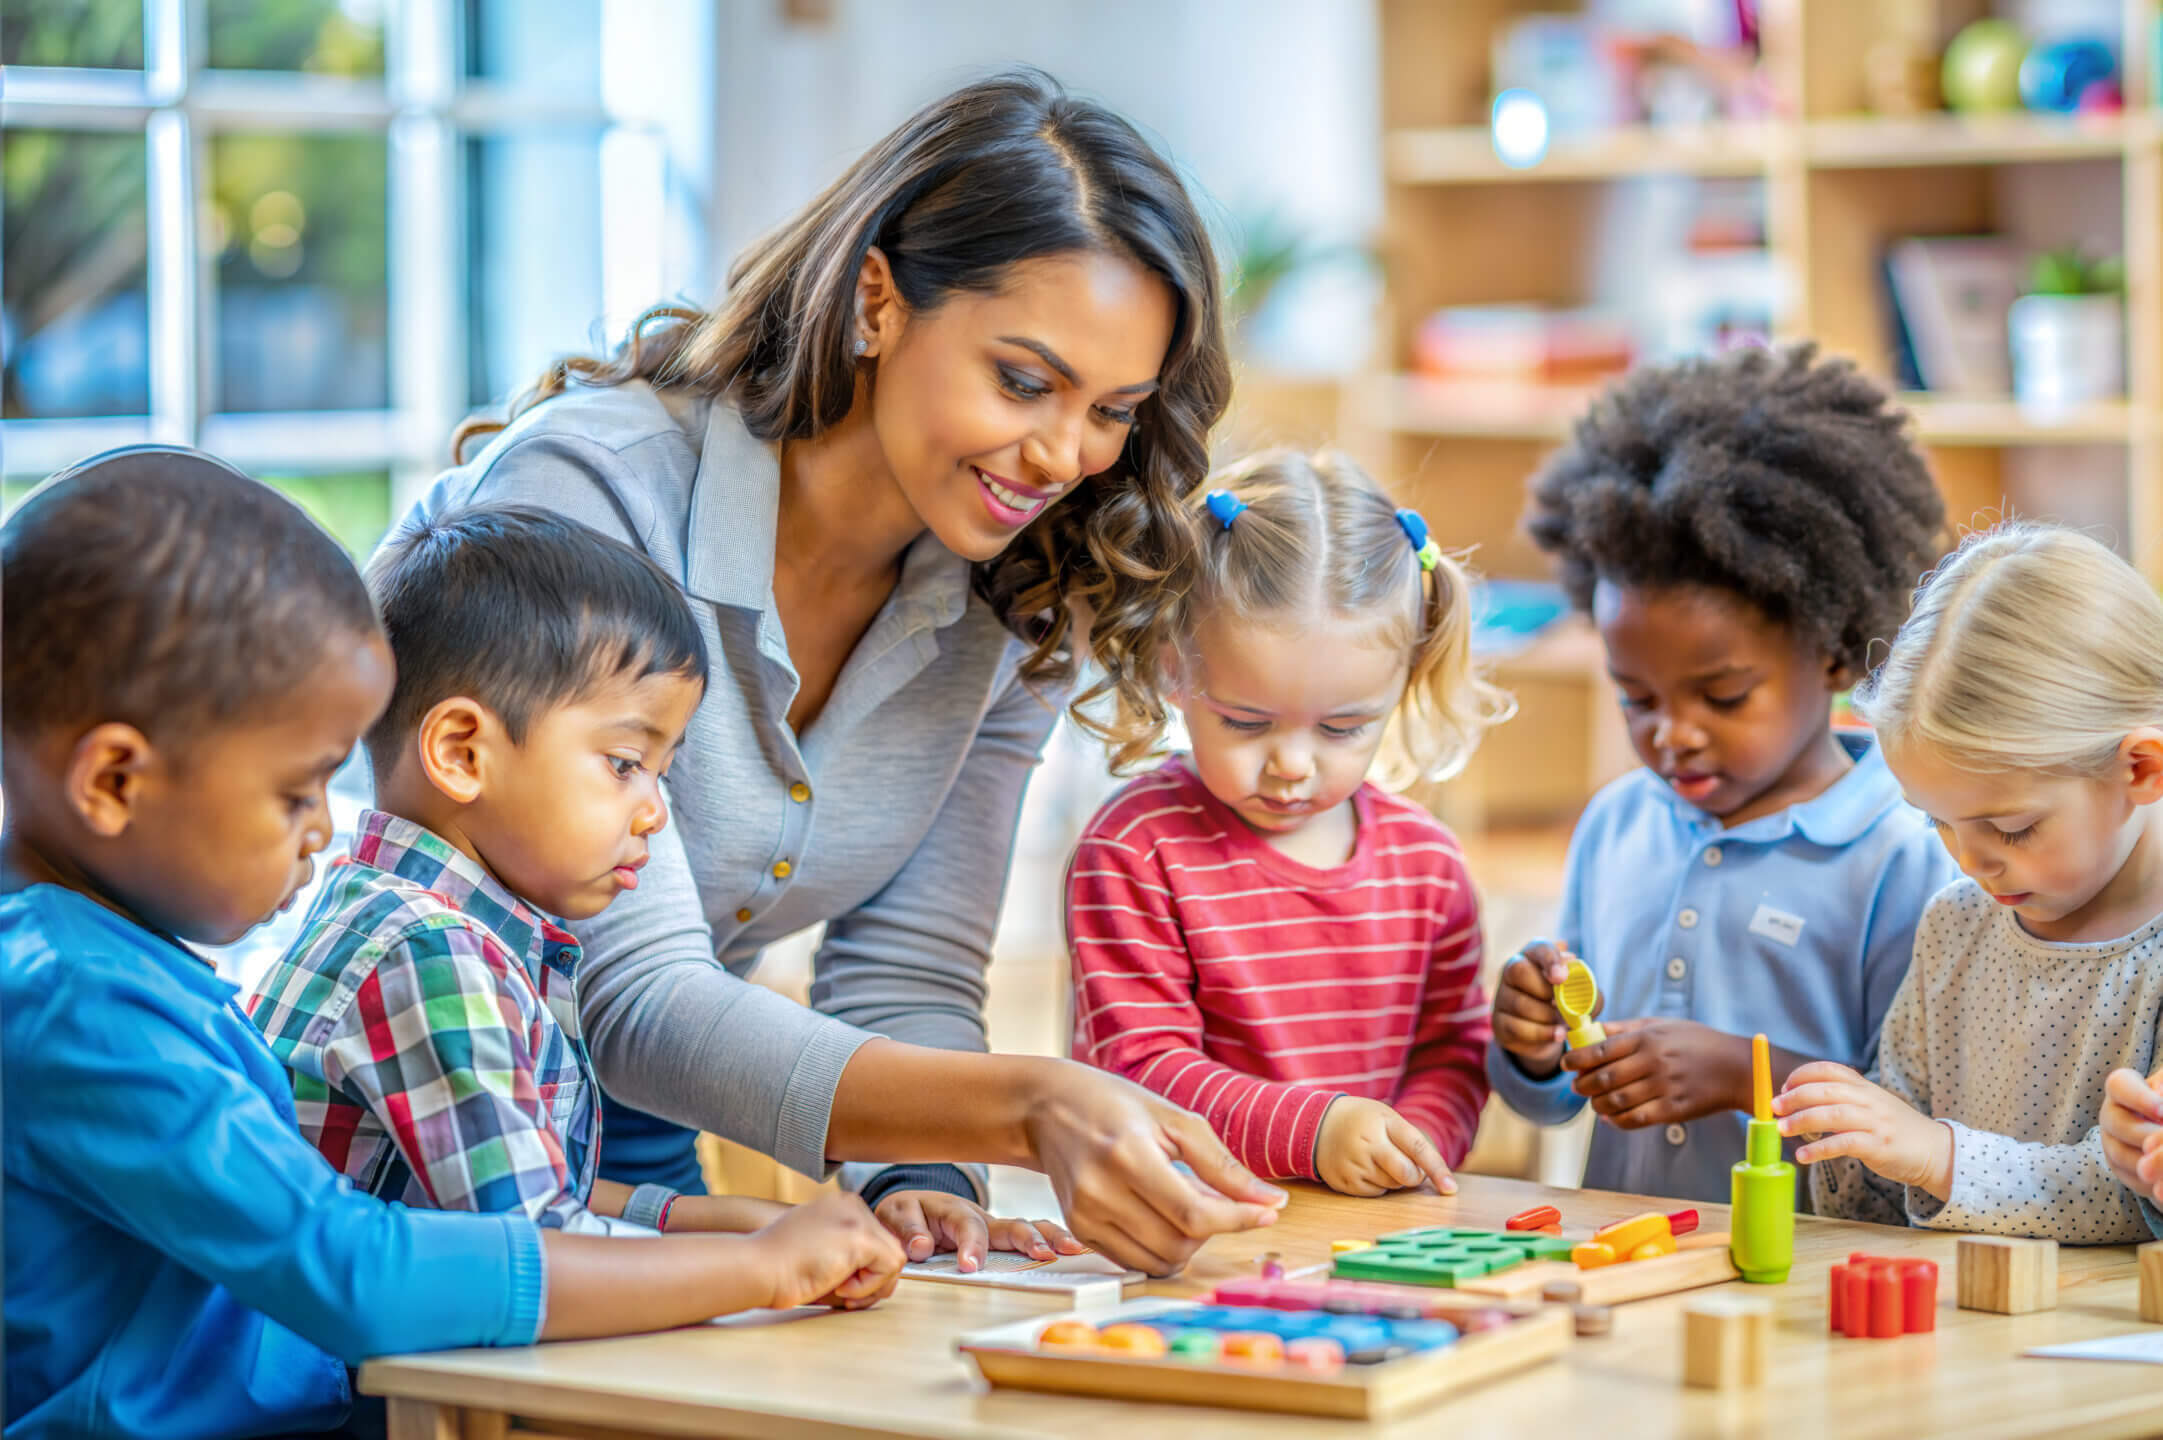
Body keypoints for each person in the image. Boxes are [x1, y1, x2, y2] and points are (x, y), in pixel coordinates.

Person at [379, 69, 1282, 1273]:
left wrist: (920, 1176)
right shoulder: (598, 497)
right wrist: (1024, 1104)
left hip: (636, 1129)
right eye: (1023, 381)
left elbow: (905, 966)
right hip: (401, 1112)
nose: (1066, 454)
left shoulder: (1021, 586)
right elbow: (630, 997)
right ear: (877, 301)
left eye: (1115, 409)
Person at [1, 449, 906, 1440]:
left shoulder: (103, 963)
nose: (320, 829)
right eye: (295, 792)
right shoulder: (80, 1006)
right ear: (116, 783)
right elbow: (349, 1265)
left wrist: (703, 1227)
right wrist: (756, 1267)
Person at [249, 506, 1075, 1262]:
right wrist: (760, 1267)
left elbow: (523, 1194)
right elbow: (533, 1260)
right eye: (624, 766)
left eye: (663, 773)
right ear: (462, 752)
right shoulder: (427, 954)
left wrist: (707, 1219)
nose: (654, 813)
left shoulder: (424, 921)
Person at [1485, 345, 1960, 1205]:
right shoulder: (1617, 823)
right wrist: (1534, 1044)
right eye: (1634, 698)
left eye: (1723, 695)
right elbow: (1556, 1095)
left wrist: (1743, 1077)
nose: (1673, 734)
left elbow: (1924, 1119)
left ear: (1829, 650)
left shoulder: (1903, 852)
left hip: (1812, 1281)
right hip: (1629, 1259)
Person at [1067, 449, 1511, 1195]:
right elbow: (1139, 1070)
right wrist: (1317, 1134)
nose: (1293, 765)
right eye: (1246, 722)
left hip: (1368, 1237)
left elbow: (1452, 1053)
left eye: (1341, 729)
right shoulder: (1135, 850)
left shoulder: (1426, 863)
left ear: (1401, 683)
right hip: (1187, 1228)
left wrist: (1409, 1148)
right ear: (1176, 667)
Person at [1781, 524, 2163, 1243]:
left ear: (2139, 769)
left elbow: (2128, 1203)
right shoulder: (1957, 924)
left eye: (2012, 829)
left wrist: (1937, 1157)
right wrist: (1847, 1134)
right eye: (1938, 825)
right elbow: (1875, 1207)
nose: (1970, 861)